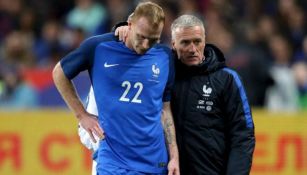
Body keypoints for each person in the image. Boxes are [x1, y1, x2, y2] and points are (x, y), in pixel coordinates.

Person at [113, 14, 255, 174]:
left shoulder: (227, 79)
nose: (193, 49)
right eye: (185, 43)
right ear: (173, 44)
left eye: (197, 41)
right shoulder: (160, 73)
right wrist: (123, 30)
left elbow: (243, 135)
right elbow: (131, 53)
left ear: (204, 41)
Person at [52, 1, 179, 175]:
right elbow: (59, 72)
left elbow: (165, 111)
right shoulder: (99, 47)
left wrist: (174, 157)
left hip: (154, 162)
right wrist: (81, 115)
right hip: (113, 162)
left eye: (153, 39)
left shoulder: (165, 57)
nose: (145, 45)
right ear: (129, 25)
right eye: (141, 36)